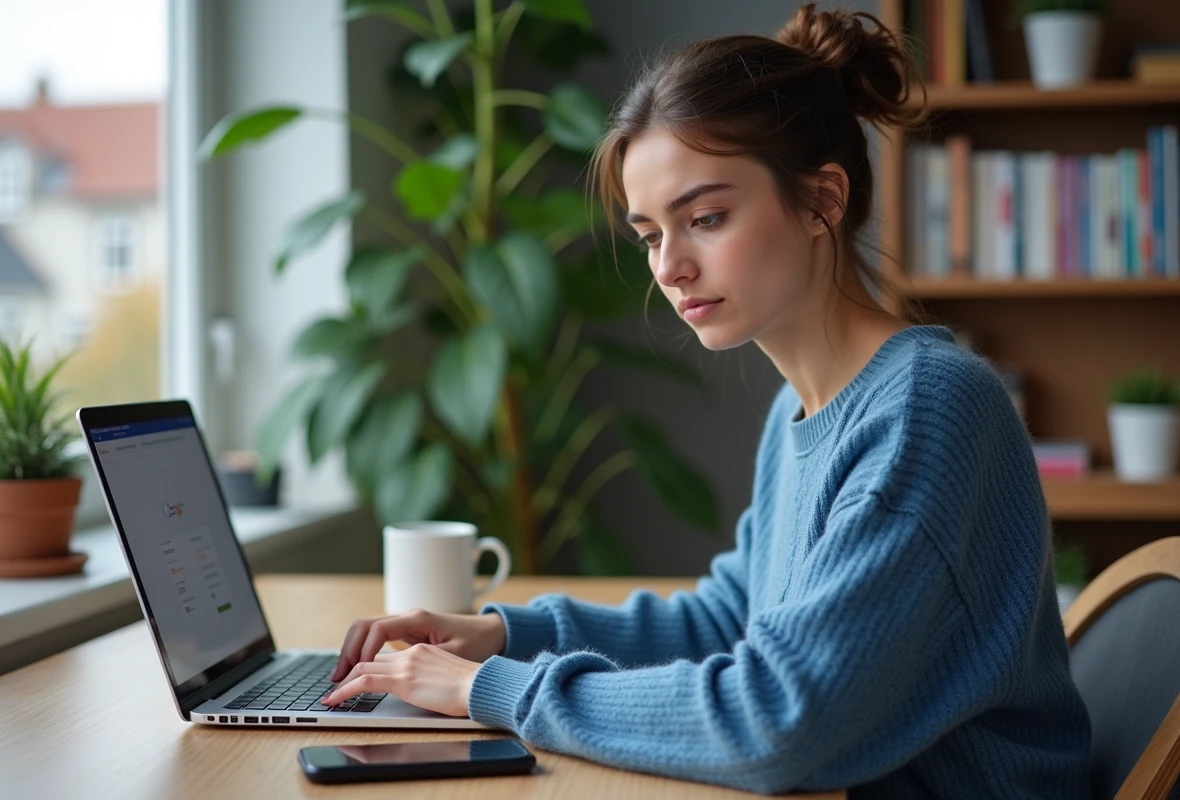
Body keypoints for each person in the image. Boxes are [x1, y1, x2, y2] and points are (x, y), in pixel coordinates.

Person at [321, 4, 1092, 796]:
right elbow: (733, 619)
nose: (671, 267)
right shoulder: (804, 407)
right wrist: (502, 635)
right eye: (652, 233)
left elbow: (777, 719)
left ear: (823, 200)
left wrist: (489, 691)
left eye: (707, 218)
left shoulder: (926, 412)